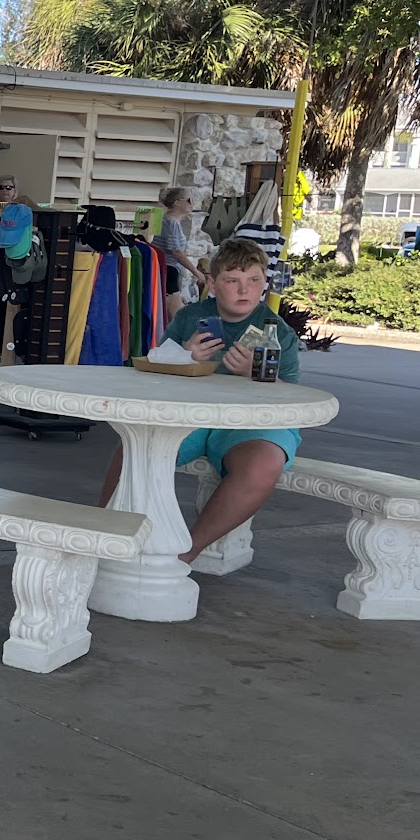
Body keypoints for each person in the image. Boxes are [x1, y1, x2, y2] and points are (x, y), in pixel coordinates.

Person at [98, 236, 302, 562]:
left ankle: (185, 553)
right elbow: (152, 371)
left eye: (253, 280)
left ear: (265, 283)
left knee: (264, 463)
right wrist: (183, 355)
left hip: (251, 424)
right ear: (212, 283)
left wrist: (260, 374)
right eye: (232, 281)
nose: (243, 290)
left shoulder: (276, 330)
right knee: (136, 443)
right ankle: (110, 538)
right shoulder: (191, 319)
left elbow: (295, 401)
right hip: (189, 417)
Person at [155, 186, 203, 318]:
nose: (191, 203)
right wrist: (196, 272)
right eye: (189, 200)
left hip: (167, 269)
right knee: (176, 313)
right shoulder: (171, 223)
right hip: (168, 270)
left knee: (169, 312)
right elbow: (176, 252)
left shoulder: (169, 221)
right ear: (177, 202)